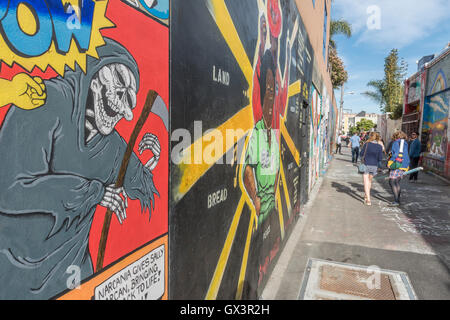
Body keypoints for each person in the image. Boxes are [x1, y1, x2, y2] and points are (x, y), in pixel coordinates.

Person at [243, 49, 280, 299]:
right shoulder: (257, 131)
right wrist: (256, 198)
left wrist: (275, 191)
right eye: (268, 90)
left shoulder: (273, 133)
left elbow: (276, 165)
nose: (271, 96)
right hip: (261, 204)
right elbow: (247, 169)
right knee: (256, 256)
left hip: (272, 203)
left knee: (267, 250)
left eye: (274, 90)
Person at [359, 132, 383, 205]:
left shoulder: (366, 144)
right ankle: (366, 195)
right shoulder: (379, 146)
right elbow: (380, 158)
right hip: (374, 165)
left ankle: (368, 199)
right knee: (369, 181)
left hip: (366, 164)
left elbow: (361, 154)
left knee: (366, 182)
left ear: (370, 137)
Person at [388, 131, 410, 206]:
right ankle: (397, 199)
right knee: (396, 182)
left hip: (398, 164)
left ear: (395, 136)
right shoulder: (405, 143)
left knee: (392, 181)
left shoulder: (396, 142)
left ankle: (396, 200)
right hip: (404, 164)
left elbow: (395, 154)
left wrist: (390, 162)